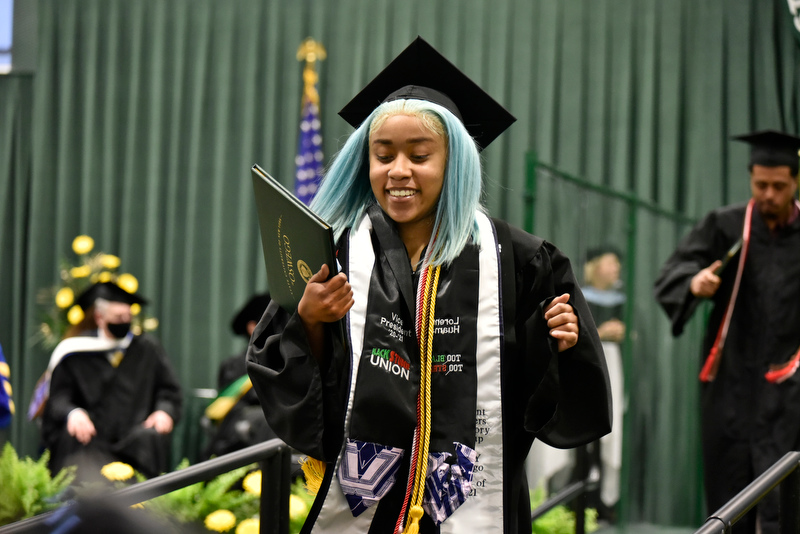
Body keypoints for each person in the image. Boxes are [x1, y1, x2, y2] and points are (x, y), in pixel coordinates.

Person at [247, 37, 612, 534]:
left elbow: (542, 394)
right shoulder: (335, 251)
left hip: (470, 491)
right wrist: (310, 320)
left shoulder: (517, 258)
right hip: (370, 492)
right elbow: (289, 375)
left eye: (419, 155)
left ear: (453, 162)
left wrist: (558, 345)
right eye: (383, 155)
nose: (399, 171)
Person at [654, 130, 800, 534]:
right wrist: (694, 282)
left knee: (785, 502)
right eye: (760, 185)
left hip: (789, 392)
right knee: (729, 498)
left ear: (796, 183)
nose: (768, 194)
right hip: (731, 387)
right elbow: (672, 274)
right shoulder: (726, 225)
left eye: (779, 186)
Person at [39, 281, 183, 479]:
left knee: (151, 437)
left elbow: (169, 391)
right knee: (72, 437)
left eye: (128, 317)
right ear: (99, 317)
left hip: (135, 436)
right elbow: (59, 397)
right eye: (118, 317)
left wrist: (163, 412)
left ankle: (146, 506)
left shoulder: (147, 349)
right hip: (91, 436)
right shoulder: (75, 352)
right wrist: (73, 413)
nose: (124, 321)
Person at [200, 293, 275, 460]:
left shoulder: (288, 363)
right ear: (252, 327)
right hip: (240, 442)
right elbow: (230, 413)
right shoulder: (234, 367)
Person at [581, 246, 626, 522]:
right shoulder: (580, 296)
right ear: (595, 266)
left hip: (614, 371)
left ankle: (604, 504)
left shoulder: (622, 300)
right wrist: (601, 333)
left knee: (609, 437)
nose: (616, 270)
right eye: (611, 263)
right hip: (586, 372)